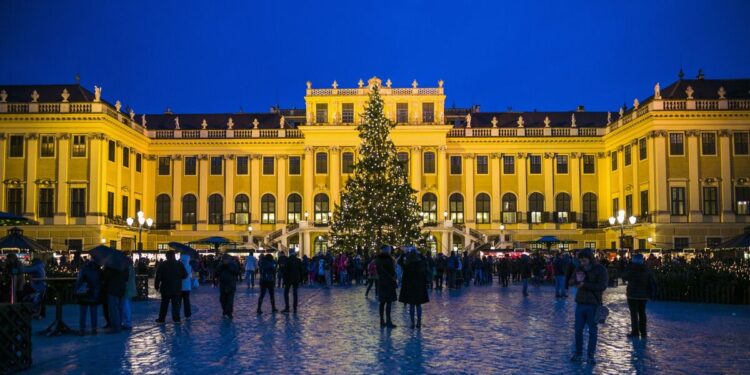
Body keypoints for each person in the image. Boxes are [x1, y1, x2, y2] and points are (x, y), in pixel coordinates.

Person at [571, 249, 609, 364]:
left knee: (592, 331)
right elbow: (571, 280)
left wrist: (585, 285)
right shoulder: (579, 268)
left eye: (584, 260)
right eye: (580, 260)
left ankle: (590, 355)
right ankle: (578, 353)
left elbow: (602, 286)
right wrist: (575, 282)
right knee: (578, 330)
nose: (582, 262)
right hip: (580, 303)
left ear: (590, 259)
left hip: (593, 304)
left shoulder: (600, 269)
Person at [623, 253, 656, 339]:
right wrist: (650, 293)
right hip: (643, 295)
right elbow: (652, 282)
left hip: (632, 295)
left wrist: (629, 267)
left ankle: (635, 332)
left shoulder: (632, 269)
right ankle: (643, 332)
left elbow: (624, 277)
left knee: (634, 314)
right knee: (642, 313)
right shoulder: (646, 270)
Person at [398, 246, 429, 329]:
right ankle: (419, 322)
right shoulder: (420, 264)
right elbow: (426, 262)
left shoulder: (407, 265)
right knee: (418, 305)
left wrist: (404, 253)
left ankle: (412, 323)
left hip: (410, 287)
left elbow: (399, 262)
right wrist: (421, 254)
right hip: (419, 287)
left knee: (411, 306)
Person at [154, 251, 187, 324]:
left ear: (167, 256)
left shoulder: (162, 264)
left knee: (164, 304)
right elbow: (185, 275)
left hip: (165, 287)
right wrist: (178, 278)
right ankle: (176, 319)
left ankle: (161, 319)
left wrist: (156, 285)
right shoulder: (179, 264)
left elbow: (158, 276)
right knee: (176, 304)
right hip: (176, 287)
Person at [75, 259, 102, 335]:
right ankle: (94, 329)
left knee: (83, 313)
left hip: (84, 293)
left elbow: (79, 281)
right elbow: (99, 283)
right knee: (94, 313)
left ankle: (82, 329)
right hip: (94, 294)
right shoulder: (98, 271)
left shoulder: (83, 269)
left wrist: (76, 290)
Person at [376, 245, 398, 328]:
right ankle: (388, 321)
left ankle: (382, 320)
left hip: (381, 282)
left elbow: (378, 270)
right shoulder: (389, 259)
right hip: (389, 282)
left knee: (382, 302)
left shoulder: (377, 259)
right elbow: (392, 271)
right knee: (388, 302)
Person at [103, 263, 128, 333]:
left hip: (113, 289)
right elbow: (126, 277)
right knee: (120, 308)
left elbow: (106, 277)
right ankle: (119, 324)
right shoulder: (124, 266)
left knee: (113, 309)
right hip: (122, 289)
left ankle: (115, 326)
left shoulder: (110, 266)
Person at [216, 254, 240, 319]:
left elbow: (237, 272)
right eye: (224, 259)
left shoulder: (233, 265)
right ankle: (225, 311)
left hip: (231, 285)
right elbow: (216, 273)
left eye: (226, 259)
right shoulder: (220, 265)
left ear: (229, 260)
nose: (225, 260)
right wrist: (220, 267)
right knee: (222, 300)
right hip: (223, 285)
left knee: (230, 300)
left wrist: (229, 267)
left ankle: (228, 313)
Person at [121, 259, 136, 330]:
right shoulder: (131, 268)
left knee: (126, 306)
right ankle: (127, 322)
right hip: (130, 290)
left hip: (127, 290)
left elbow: (126, 280)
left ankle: (127, 322)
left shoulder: (128, 269)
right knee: (127, 305)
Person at [180, 255, 193, 320]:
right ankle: (188, 315)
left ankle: (177, 315)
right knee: (187, 301)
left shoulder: (179, 267)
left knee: (178, 302)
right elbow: (191, 277)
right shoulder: (190, 267)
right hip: (187, 287)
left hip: (179, 286)